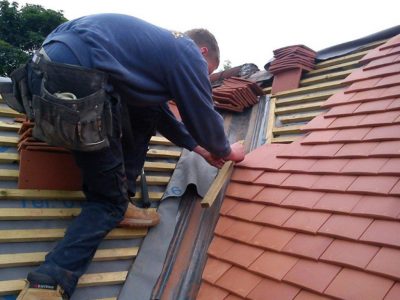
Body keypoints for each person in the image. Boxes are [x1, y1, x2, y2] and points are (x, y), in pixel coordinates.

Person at [15, 13, 245, 300]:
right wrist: (224, 149)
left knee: (145, 108)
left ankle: (121, 193)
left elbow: (159, 112)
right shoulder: (187, 51)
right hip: (77, 83)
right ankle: (47, 283)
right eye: (208, 71)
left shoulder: (139, 53)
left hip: (43, 76)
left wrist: (199, 149)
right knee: (106, 203)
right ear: (203, 52)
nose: (204, 76)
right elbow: (198, 108)